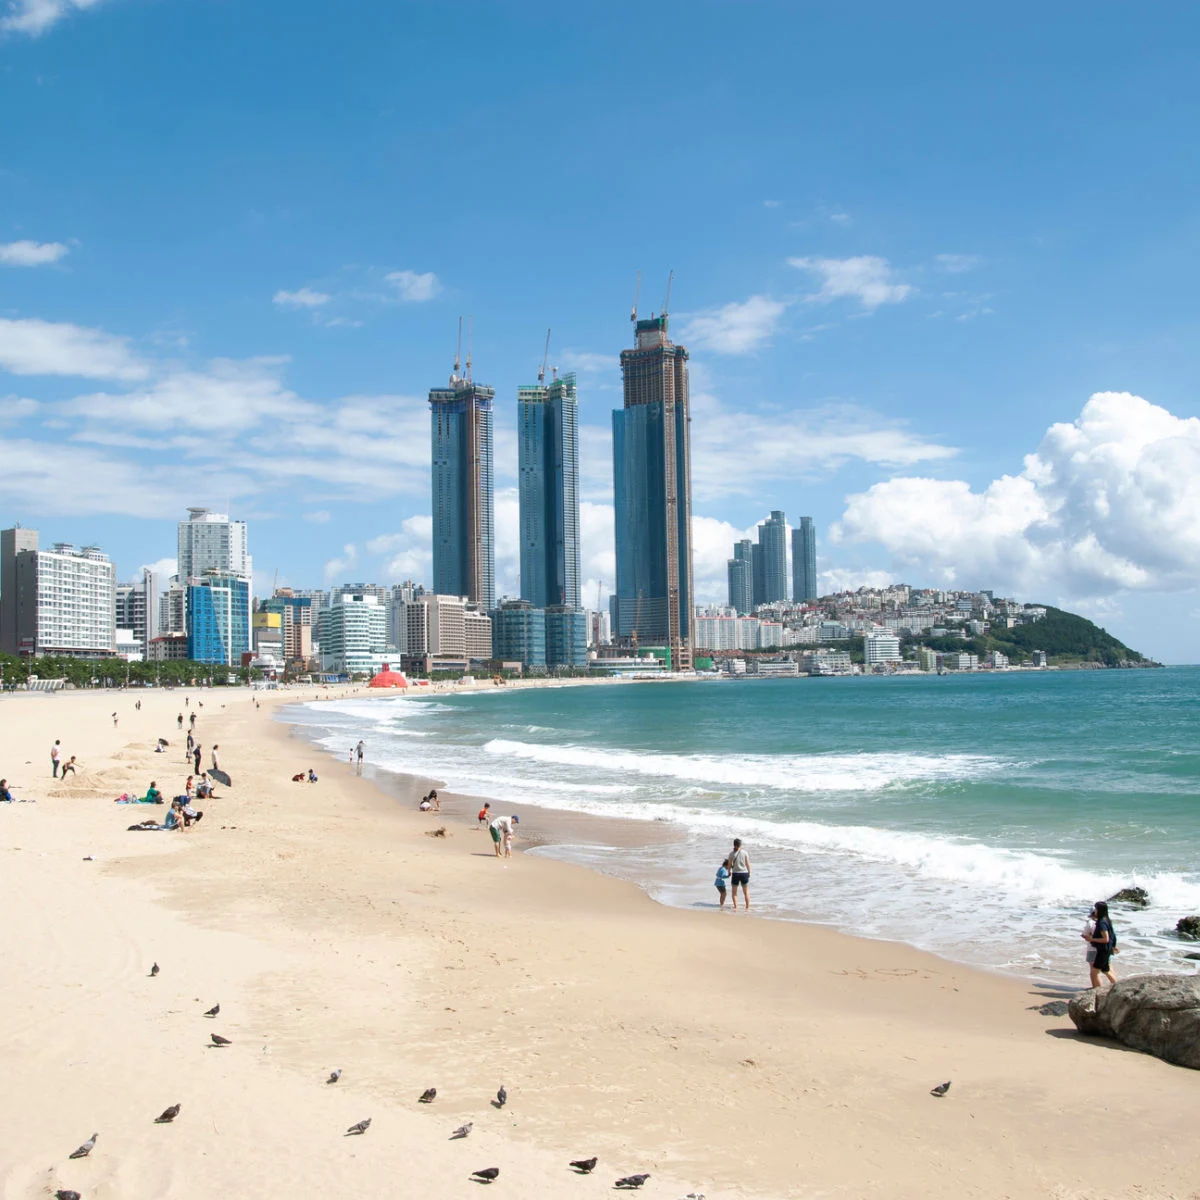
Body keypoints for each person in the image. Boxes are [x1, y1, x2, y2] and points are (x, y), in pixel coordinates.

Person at [1084, 900, 1118, 988]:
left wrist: (1091, 939)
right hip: (1107, 949)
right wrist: (1114, 946)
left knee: (1094, 973)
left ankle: (1097, 992)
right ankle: (1118, 987)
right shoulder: (1107, 920)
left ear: (1099, 910)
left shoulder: (1101, 922)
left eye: (1096, 909)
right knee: (1106, 970)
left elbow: (1106, 939)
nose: (1094, 911)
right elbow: (1113, 935)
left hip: (1102, 950)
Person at [728, 838, 751, 910]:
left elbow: (729, 865)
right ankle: (747, 907)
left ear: (734, 845)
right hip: (744, 873)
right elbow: (748, 864)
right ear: (740, 845)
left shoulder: (731, 854)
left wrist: (729, 872)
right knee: (746, 892)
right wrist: (749, 872)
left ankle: (736, 907)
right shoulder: (745, 852)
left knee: (734, 893)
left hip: (735, 874)